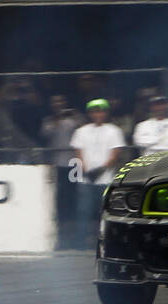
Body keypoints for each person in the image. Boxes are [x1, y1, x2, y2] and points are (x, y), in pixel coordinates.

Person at [70, 98, 126, 249]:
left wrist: (101, 169)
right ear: (89, 113)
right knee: (83, 211)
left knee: (106, 211)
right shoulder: (81, 131)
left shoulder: (114, 131)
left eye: (101, 110)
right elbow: (78, 152)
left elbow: (115, 154)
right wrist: (87, 170)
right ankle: (82, 242)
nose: (98, 114)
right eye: (94, 111)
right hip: (86, 179)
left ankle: (108, 239)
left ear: (106, 113)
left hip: (105, 178)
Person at [41, 95, 82, 248]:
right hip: (57, 162)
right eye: (55, 102)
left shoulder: (74, 118)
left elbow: (82, 128)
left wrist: (73, 115)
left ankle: (73, 222)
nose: (58, 104)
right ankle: (61, 222)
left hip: (73, 162)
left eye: (61, 102)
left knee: (74, 191)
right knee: (59, 194)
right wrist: (57, 119)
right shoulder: (48, 121)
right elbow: (45, 134)